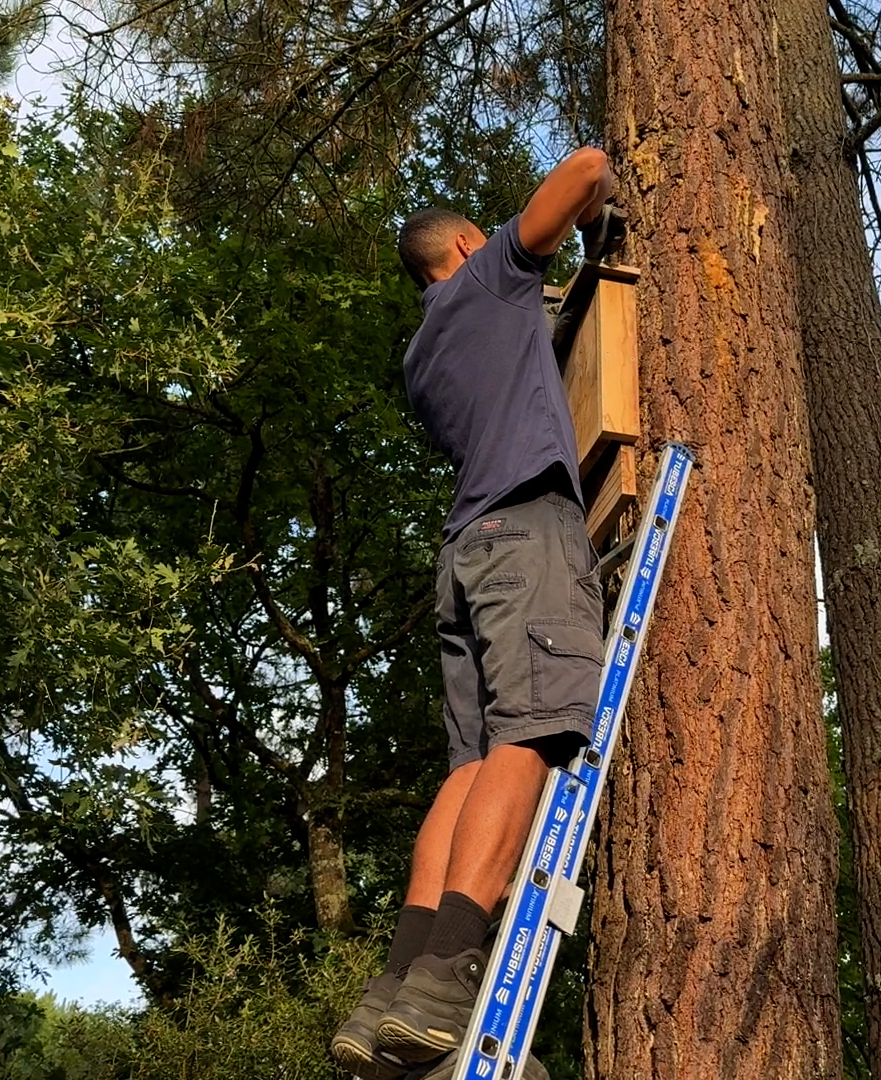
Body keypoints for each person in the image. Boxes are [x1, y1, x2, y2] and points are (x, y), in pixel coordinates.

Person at [328, 148, 617, 1080]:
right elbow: (587, 167)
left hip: (463, 552)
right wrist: (595, 217)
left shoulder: (421, 353)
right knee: (532, 738)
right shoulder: (488, 277)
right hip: (528, 530)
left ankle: (400, 989)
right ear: (461, 244)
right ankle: (454, 976)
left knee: (470, 765)